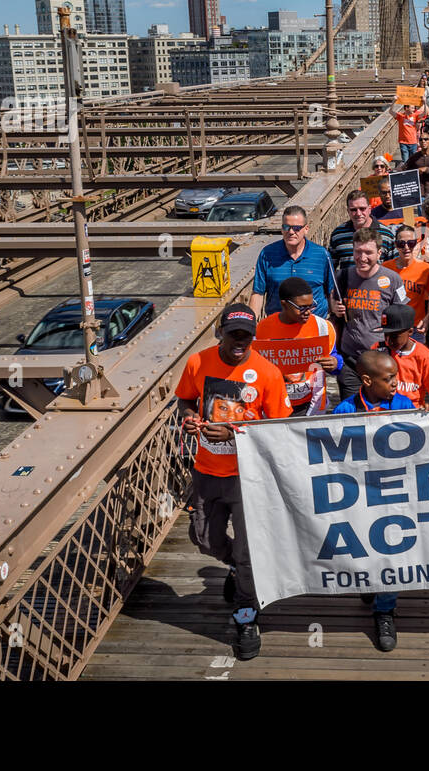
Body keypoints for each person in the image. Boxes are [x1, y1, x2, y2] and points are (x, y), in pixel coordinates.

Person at [176, 303, 292, 661]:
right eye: (234, 335)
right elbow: (183, 401)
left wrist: (236, 432)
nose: (241, 342)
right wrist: (191, 417)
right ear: (220, 332)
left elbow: (279, 427)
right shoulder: (198, 363)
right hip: (207, 470)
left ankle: (246, 615)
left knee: (246, 552)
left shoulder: (268, 373)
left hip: (248, 477)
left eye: (247, 336)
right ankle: (234, 568)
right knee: (204, 539)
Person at [331, 350, 418, 652]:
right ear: (366, 380)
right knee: (363, 548)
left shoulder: (404, 405)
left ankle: (385, 610)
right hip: (358, 494)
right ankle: (369, 583)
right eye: (389, 378)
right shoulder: (344, 410)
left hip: (395, 494)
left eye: (396, 375)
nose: (397, 382)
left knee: (390, 551)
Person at [332, 227, 409, 398]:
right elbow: (333, 299)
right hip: (350, 360)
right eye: (358, 252)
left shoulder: (392, 279)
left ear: (379, 253)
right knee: (353, 409)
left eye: (368, 252)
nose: (362, 258)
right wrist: (334, 307)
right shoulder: (342, 276)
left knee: (381, 408)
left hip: (381, 360)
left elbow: (402, 316)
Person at [254, 276, 341, 416]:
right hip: (276, 404)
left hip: (310, 404)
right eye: (301, 308)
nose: (308, 312)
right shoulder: (262, 329)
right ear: (284, 304)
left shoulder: (322, 326)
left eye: (311, 306)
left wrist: (336, 363)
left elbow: (334, 356)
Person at [248, 205, 336, 319]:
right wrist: (250, 326)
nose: (291, 232)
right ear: (281, 229)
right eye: (286, 227)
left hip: (313, 326)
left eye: (296, 228)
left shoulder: (321, 255)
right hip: (278, 326)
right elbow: (258, 294)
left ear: (306, 229)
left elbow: (331, 291)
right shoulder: (267, 254)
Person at [377, 303, 429, 407]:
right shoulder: (378, 349)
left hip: (411, 412)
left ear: (410, 332)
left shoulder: (425, 356)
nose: (388, 341)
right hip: (381, 410)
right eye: (386, 335)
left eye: (395, 336)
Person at [329, 190, 395, 275]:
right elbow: (330, 269)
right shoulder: (338, 235)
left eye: (362, 209)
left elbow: (394, 268)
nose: (358, 213)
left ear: (369, 209)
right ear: (348, 211)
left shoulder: (386, 234)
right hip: (348, 286)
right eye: (353, 210)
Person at [384, 224, 429, 336]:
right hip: (391, 327)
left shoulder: (426, 270)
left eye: (411, 243)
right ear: (396, 245)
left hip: (415, 327)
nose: (406, 248)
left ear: (416, 244)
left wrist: (427, 318)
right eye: (401, 244)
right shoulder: (385, 268)